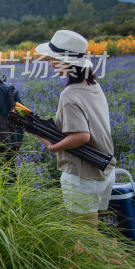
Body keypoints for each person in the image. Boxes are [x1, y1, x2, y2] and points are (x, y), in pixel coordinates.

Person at [34, 30, 117, 223]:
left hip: (82, 175)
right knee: (90, 232)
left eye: (55, 58)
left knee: (83, 239)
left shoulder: (69, 94)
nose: (51, 62)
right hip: (102, 171)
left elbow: (82, 136)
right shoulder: (93, 86)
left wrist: (53, 147)